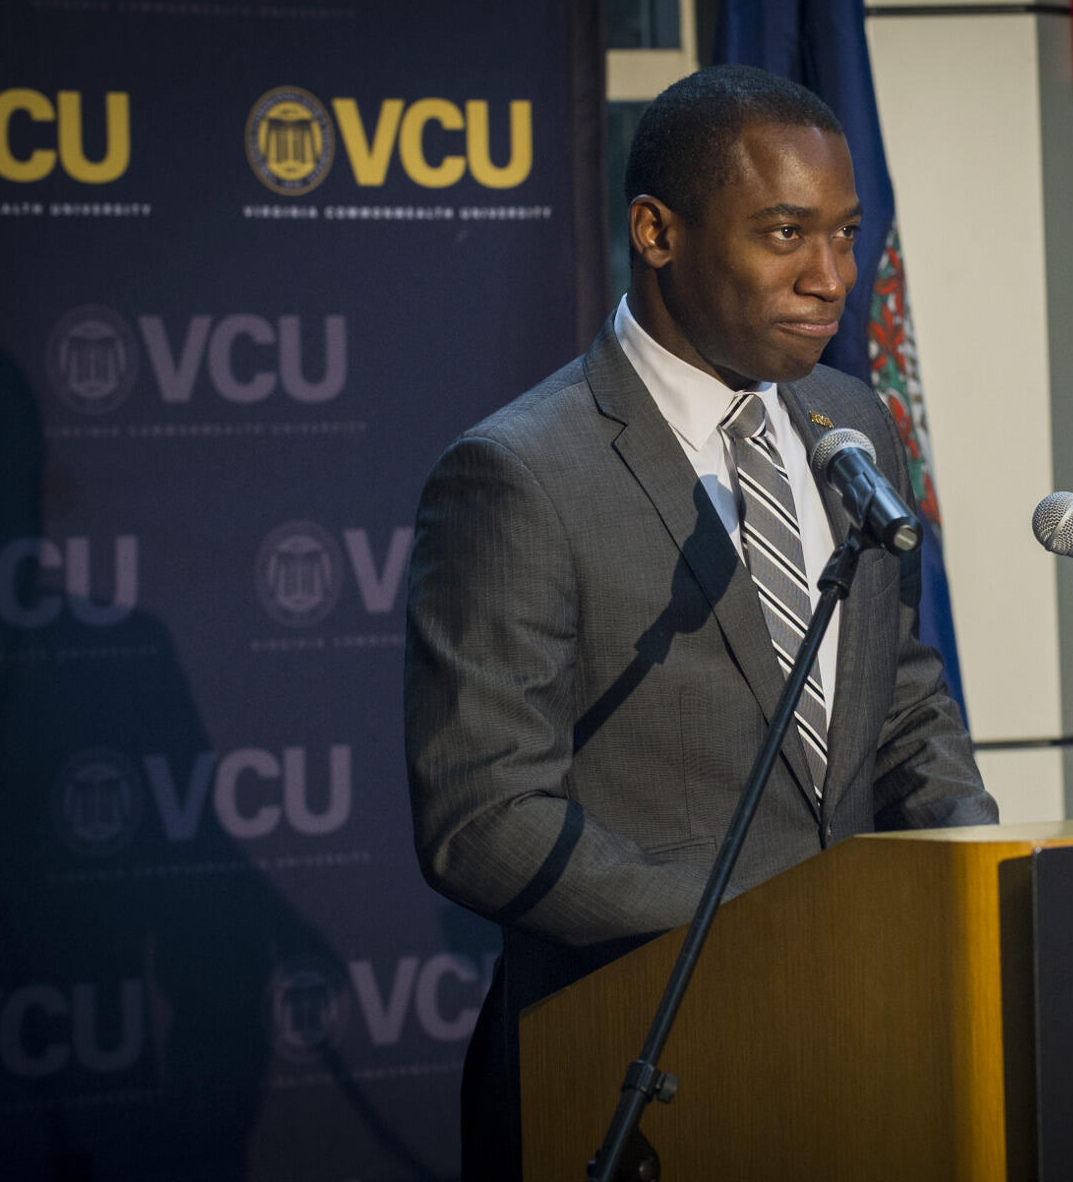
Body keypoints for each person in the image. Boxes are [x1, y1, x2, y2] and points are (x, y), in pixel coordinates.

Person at [403, 64, 998, 1179]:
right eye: (786, 233)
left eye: (845, 234)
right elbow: (483, 818)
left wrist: (977, 886)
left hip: (867, 1040)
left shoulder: (853, 421)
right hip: (633, 1062)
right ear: (657, 232)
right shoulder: (521, 472)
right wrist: (759, 936)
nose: (832, 277)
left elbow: (900, 698)